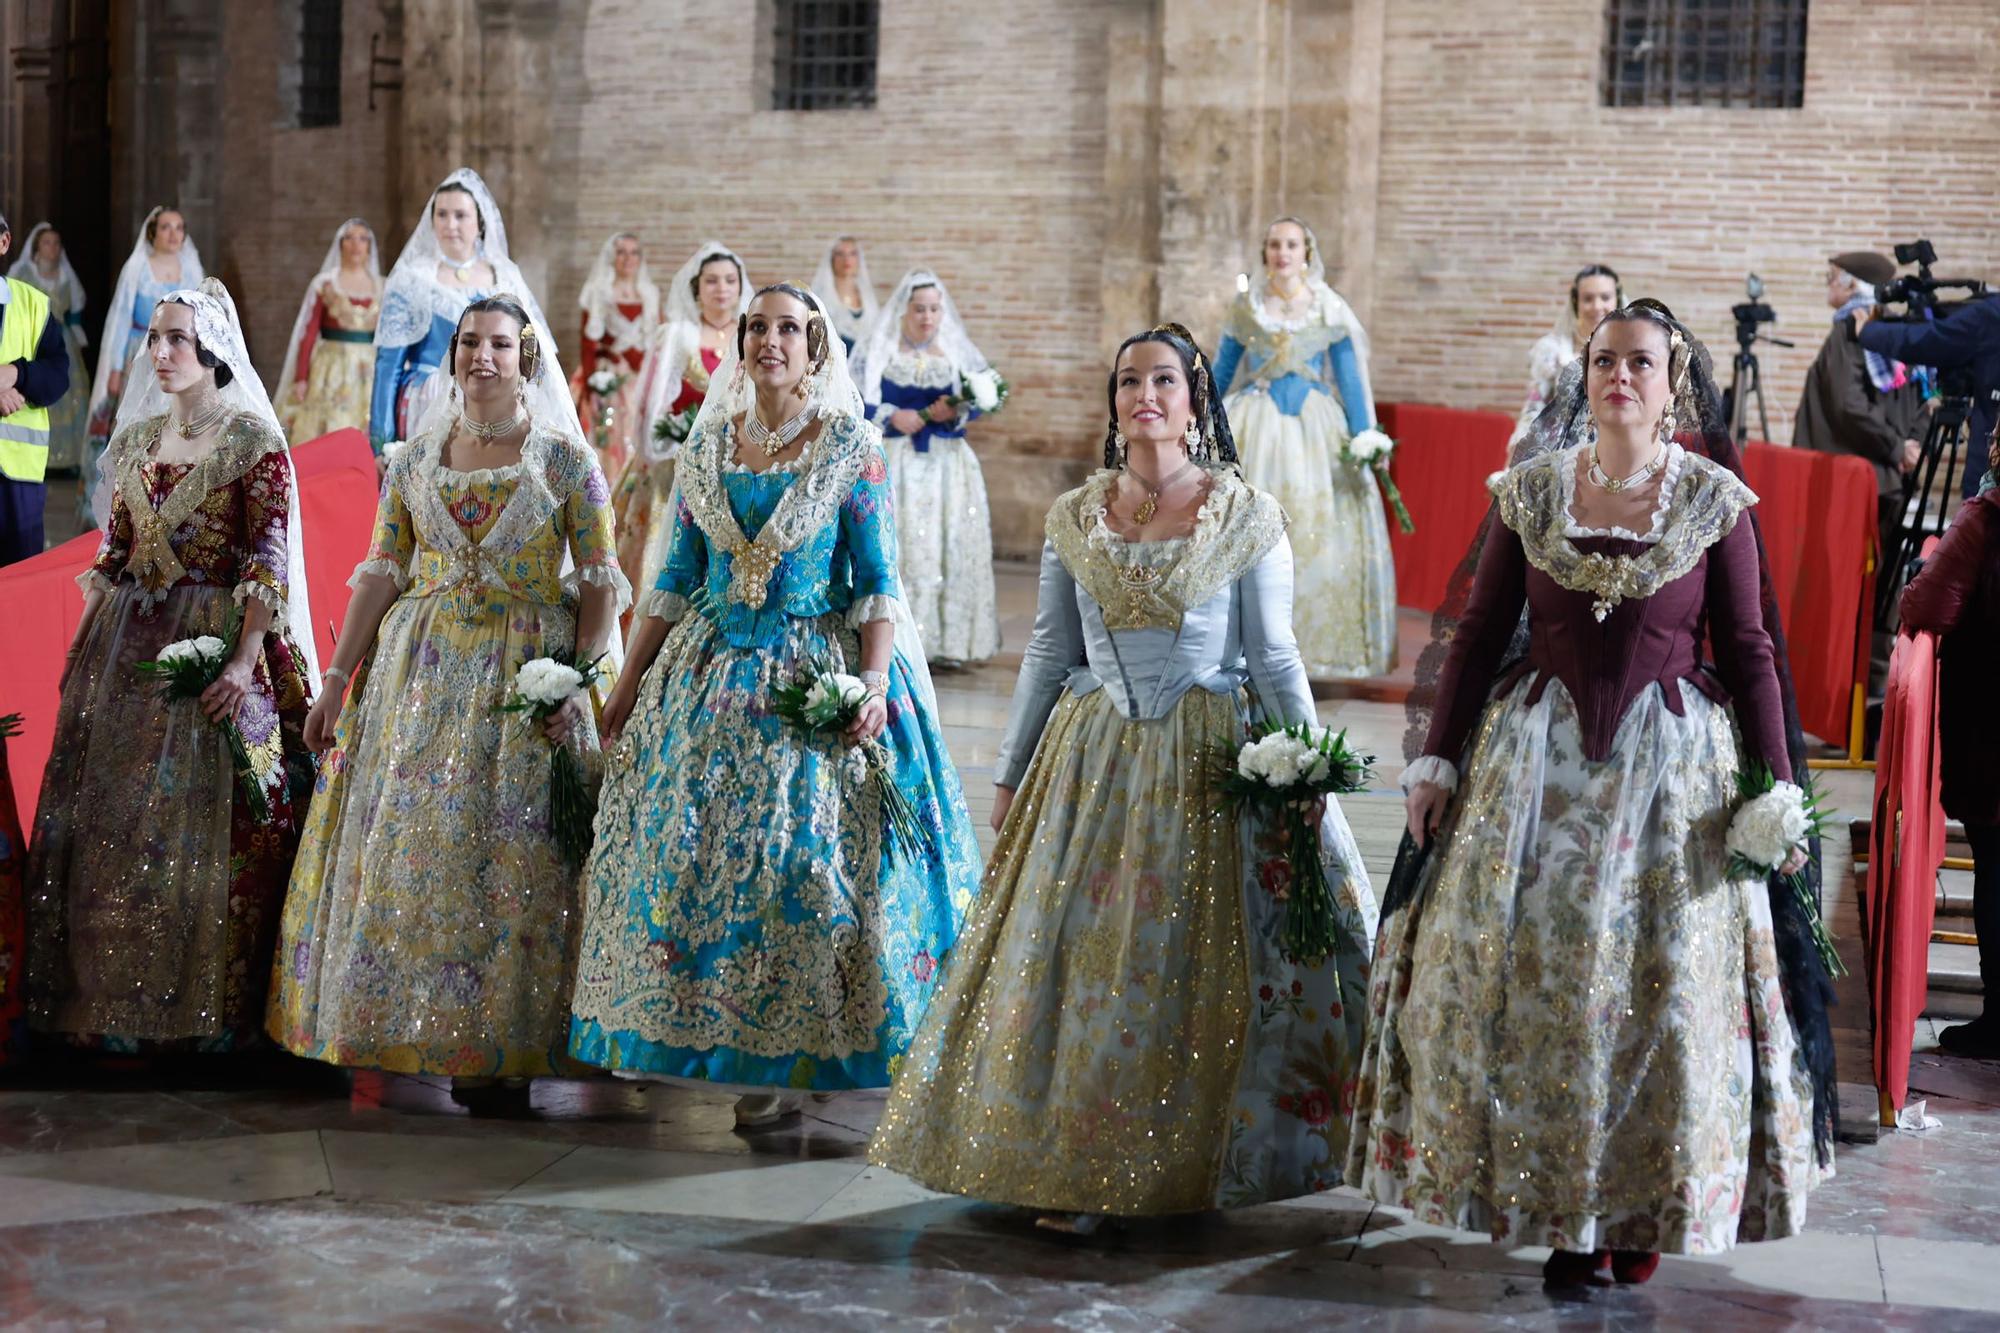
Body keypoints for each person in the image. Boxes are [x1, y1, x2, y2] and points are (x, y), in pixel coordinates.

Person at [1348, 300, 1835, 1286]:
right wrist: (1436, 761)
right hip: (1536, 777)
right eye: (1604, 360)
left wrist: (1775, 789)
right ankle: (1561, 1211)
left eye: (1640, 363)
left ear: (1672, 384)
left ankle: (1639, 1201)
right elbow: (1479, 636)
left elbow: (1746, 653)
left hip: (1671, 788)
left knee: (1657, 999)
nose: (1619, 376)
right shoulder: (1529, 491)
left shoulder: (1709, 500)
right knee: (1547, 995)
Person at [869, 323, 1374, 1233]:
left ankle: (1187, 1158)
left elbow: (1275, 655)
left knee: (1185, 964)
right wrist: (1012, 771)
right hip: (1093, 761)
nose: (1146, 393)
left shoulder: (1246, 514)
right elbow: (1051, 649)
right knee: (1090, 966)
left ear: (1195, 399)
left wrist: (1309, 771)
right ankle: (1078, 1161)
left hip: (1210, 760)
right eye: (1129, 380)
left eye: (1165, 380)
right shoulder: (1077, 514)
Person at [569, 282, 982, 1127]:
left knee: (807, 862)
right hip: (709, 673)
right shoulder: (706, 448)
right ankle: (685, 1028)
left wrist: (869, 685)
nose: (769, 341)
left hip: (811, 674)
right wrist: (627, 681)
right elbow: (674, 580)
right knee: (686, 853)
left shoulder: (851, 448)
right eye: (756, 327)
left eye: (788, 328)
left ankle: (797, 1050)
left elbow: (875, 583)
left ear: (816, 347)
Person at [269, 294, 623, 1110]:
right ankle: (401, 1020)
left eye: (500, 344)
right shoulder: (414, 458)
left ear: (525, 356)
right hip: (418, 676)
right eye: (469, 343)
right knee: (416, 844)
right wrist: (335, 678)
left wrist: (575, 677)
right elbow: (381, 570)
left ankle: (504, 1048)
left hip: (525, 675)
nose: (482, 357)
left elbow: (601, 577)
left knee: (510, 853)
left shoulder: (566, 461)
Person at [25, 277, 316, 1052]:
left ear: (212, 348)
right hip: (129, 646)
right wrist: (82, 649)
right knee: (118, 823)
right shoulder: (132, 444)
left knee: (218, 826)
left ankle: (207, 1015)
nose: (160, 352)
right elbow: (115, 555)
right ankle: (115, 1008)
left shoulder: (254, 444)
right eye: (154, 338)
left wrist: (244, 662)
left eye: (176, 339)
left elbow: (268, 562)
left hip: (222, 643)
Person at [1215, 216, 1393, 679]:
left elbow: (1350, 379)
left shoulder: (1328, 307)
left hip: (1315, 425)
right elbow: (1221, 371)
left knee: (1319, 530)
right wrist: (1200, 424)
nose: (1283, 253)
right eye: (1274, 244)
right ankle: (1242, 648)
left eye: (1292, 244)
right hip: (1255, 420)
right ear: (1265, 252)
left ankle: (1317, 650)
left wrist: (1365, 434)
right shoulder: (1247, 306)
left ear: (1306, 253)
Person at [1897, 430, 2000, 1057]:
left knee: (1995, 873)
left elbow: (1926, 606)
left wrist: (1918, 577)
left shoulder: (1985, 520)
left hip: (1992, 739)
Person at [370, 168, 577, 454]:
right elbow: (387, 366)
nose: (449, 224)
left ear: (479, 222)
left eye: (460, 215)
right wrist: (381, 444)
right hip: (426, 400)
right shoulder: (411, 279)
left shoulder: (504, 276)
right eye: (441, 214)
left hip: (496, 399)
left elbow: (533, 350)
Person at [853, 268, 1001, 666]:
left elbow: (983, 398)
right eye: (919, 309)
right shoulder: (878, 348)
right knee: (901, 544)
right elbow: (850, 400)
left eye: (934, 309)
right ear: (903, 310)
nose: (927, 317)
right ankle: (892, 640)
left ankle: (945, 642)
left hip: (946, 465)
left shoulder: (954, 351)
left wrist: (955, 411)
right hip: (895, 460)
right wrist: (889, 415)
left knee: (944, 542)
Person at [1794, 251, 1926, 662]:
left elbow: (1847, 405)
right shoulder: (1900, 333)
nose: (1826, 285)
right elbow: (1929, 398)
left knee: (1851, 584)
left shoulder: (1849, 333)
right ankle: (1872, 673)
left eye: (1831, 278)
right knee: (1882, 583)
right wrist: (1910, 449)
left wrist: (1895, 448)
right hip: (1890, 478)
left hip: (1856, 482)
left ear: (1852, 286)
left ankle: (1846, 677)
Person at [613, 240, 748, 602]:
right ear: (697, 288)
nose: (722, 289)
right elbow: (652, 403)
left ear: (740, 286)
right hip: (673, 461)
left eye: (729, 281)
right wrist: (669, 448)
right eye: (712, 281)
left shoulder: (750, 335)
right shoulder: (677, 335)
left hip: (736, 464)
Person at [1859, 280, 2000, 497]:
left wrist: (1869, 332)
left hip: (1990, 482)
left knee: (1977, 526)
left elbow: (1928, 341)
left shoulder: (1992, 315)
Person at [87, 206, 202, 453]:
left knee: (176, 417)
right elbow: (120, 319)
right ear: (152, 233)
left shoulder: (192, 269)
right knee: (139, 419)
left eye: (179, 228)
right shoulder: (137, 268)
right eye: (165, 227)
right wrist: (115, 368)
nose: (173, 234)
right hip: (140, 353)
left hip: (181, 354)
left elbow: (201, 319)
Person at [0, 213, 75, 565]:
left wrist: (17, 373)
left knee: (19, 585)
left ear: (3, 243)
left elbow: (58, 374)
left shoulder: (33, 304)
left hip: (20, 480)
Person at [273, 218, 383, 444]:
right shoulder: (325, 284)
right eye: (350, 238)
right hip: (330, 370)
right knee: (328, 428)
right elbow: (308, 332)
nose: (356, 244)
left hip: (369, 372)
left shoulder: (383, 286)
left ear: (370, 247)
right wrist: (301, 377)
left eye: (363, 239)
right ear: (340, 244)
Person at [570, 231, 659, 478]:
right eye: (621, 252)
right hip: (607, 372)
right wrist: (591, 384)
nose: (627, 259)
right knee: (607, 432)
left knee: (639, 430)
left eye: (633, 253)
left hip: (638, 375)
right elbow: (588, 343)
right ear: (611, 257)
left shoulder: (649, 293)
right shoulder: (599, 292)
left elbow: (656, 341)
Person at [7, 222, 91, 478]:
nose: (52, 248)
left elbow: (75, 305)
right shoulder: (23, 273)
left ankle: (67, 459)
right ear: (36, 247)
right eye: (46, 243)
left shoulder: (65, 276)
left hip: (60, 338)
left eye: (56, 243)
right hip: (31, 339)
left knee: (67, 393)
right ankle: (35, 456)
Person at [1509, 264, 1621, 446]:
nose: (1597, 306)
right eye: (1588, 298)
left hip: (1617, 446)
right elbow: (1534, 406)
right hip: (1559, 449)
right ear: (1576, 302)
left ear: (1617, 300)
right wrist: (1518, 450)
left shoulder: (1630, 349)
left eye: (1605, 297)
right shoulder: (1552, 350)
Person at [810, 235, 877, 352]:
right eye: (840, 254)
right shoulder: (821, 296)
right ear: (831, 258)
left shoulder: (867, 296)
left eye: (852, 254)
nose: (847, 259)